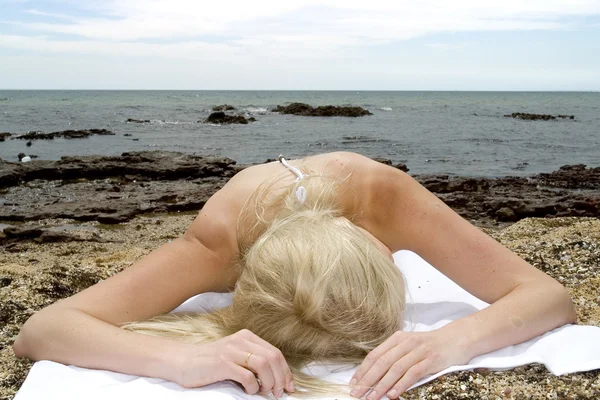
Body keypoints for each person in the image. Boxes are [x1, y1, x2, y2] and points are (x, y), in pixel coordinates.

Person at [13, 152, 576, 400]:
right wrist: (178, 359)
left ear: (381, 252)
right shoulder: (218, 246)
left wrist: (452, 339)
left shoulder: (386, 197)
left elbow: (549, 296)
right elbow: (43, 330)